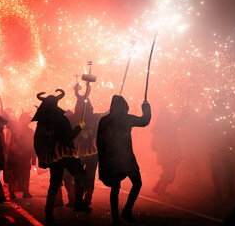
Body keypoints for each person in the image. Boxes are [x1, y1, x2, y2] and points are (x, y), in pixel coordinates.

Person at [32, 89, 92, 222]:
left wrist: (43, 157)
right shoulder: (61, 118)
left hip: (53, 157)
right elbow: (68, 137)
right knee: (81, 176)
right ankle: (79, 203)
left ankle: (49, 211)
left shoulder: (41, 122)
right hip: (67, 154)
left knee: (54, 183)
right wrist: (79, 127)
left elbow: (37, 141)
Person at [97, 95, 151, 226]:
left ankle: (117, 218)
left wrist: (104, 160)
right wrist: (146, 108)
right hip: (124, 158)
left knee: (116, 188)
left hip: (114, 160)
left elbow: (99, 142)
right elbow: (144, 121)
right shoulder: (126, 118)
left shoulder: (104, 120)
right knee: (136, 183)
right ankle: (126, 211)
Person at [151, 105, 185, 196]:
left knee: (167, 171)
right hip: (169, 154)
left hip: (163, 155)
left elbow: (153, 145)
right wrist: (185, 113)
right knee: (169, 172)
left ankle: (157, 187)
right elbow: (179, 123)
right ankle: (161, 190)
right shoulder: (167, 126)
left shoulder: (158, 129)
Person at [6, 110, 36, 200]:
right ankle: (12, 192)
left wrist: (33, 158)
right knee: (13, 175)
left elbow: (33, 145)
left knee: (25, 175)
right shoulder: (15, 129)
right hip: (15, 157)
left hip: (24, 158)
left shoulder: (30, 131)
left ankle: (25, 192)